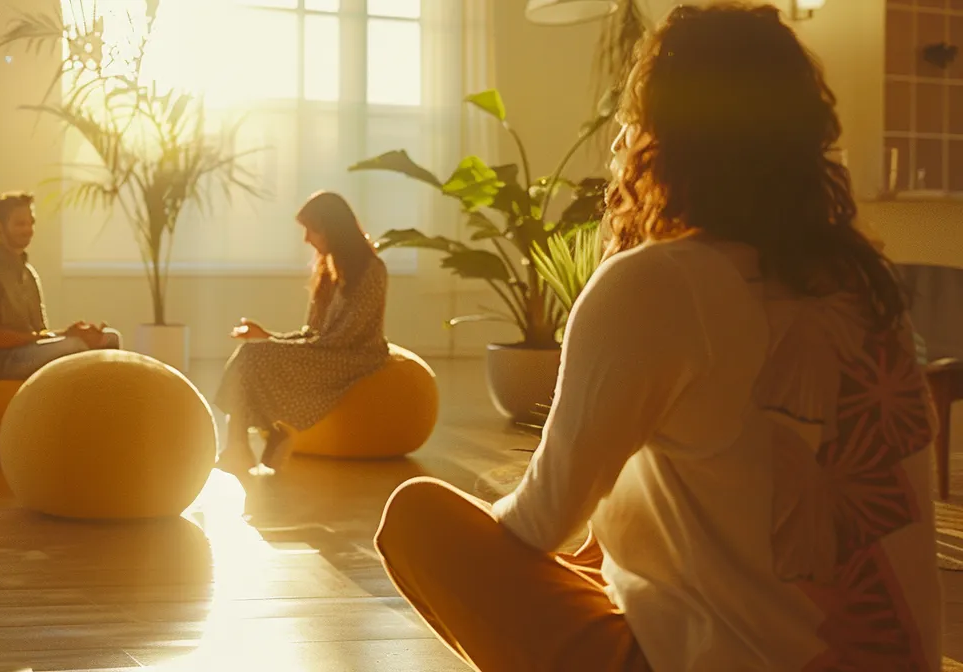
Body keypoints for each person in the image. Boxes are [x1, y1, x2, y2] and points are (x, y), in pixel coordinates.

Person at [373, 5, 941, 671]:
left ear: (659, 135)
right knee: (616, 527)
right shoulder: (860, 283)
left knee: (419, 519)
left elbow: (539, 525)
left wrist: (505, 518)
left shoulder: (660, 282)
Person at [215, 191, 388, 476]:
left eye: (312, 230)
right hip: (329, 351)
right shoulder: (329, 271)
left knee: (253, 356)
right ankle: (257, 439)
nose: (307, 239)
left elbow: (341, 340)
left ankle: (249, 443)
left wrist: (272, 346)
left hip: (355, 359)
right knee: (252, 353)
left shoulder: (372, 271)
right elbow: (314, 333)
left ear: (332, 229)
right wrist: (267, 336)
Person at [0, 191, 119, 381]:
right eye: (20, 224)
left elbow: (40, 333)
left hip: (30, 350)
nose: (28, 229)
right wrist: (62, 337)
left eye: (31, 223)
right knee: (76, 347)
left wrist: (71, 332)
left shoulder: (29, 274)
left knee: (109, 338)